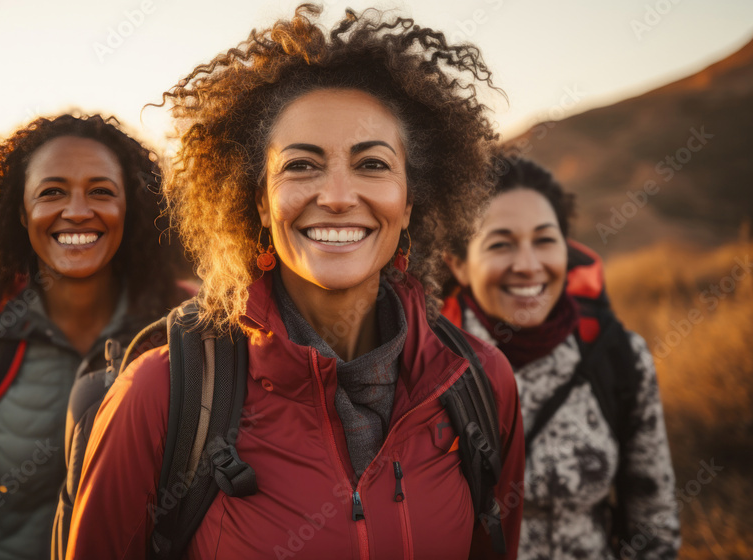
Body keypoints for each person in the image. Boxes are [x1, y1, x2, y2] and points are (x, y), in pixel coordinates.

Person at [67, 6, 524, 559]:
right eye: (301, 165)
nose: (335, 195)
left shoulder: (480, 385)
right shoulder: (160, 397)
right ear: (260, 201)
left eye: (372, 165)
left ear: (408, 204)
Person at [0, 113, 185, 559]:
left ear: (133, 208)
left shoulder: (183, 325)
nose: (78, 211)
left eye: (102, 191)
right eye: (52, 193)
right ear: (21, 213)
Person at [443, 155, 680, 559]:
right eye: (500, 244)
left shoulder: (620, 357)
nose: (528, 265)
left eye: (545, 240)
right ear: (459, 265)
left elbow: (653, 521)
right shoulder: (427, 367)